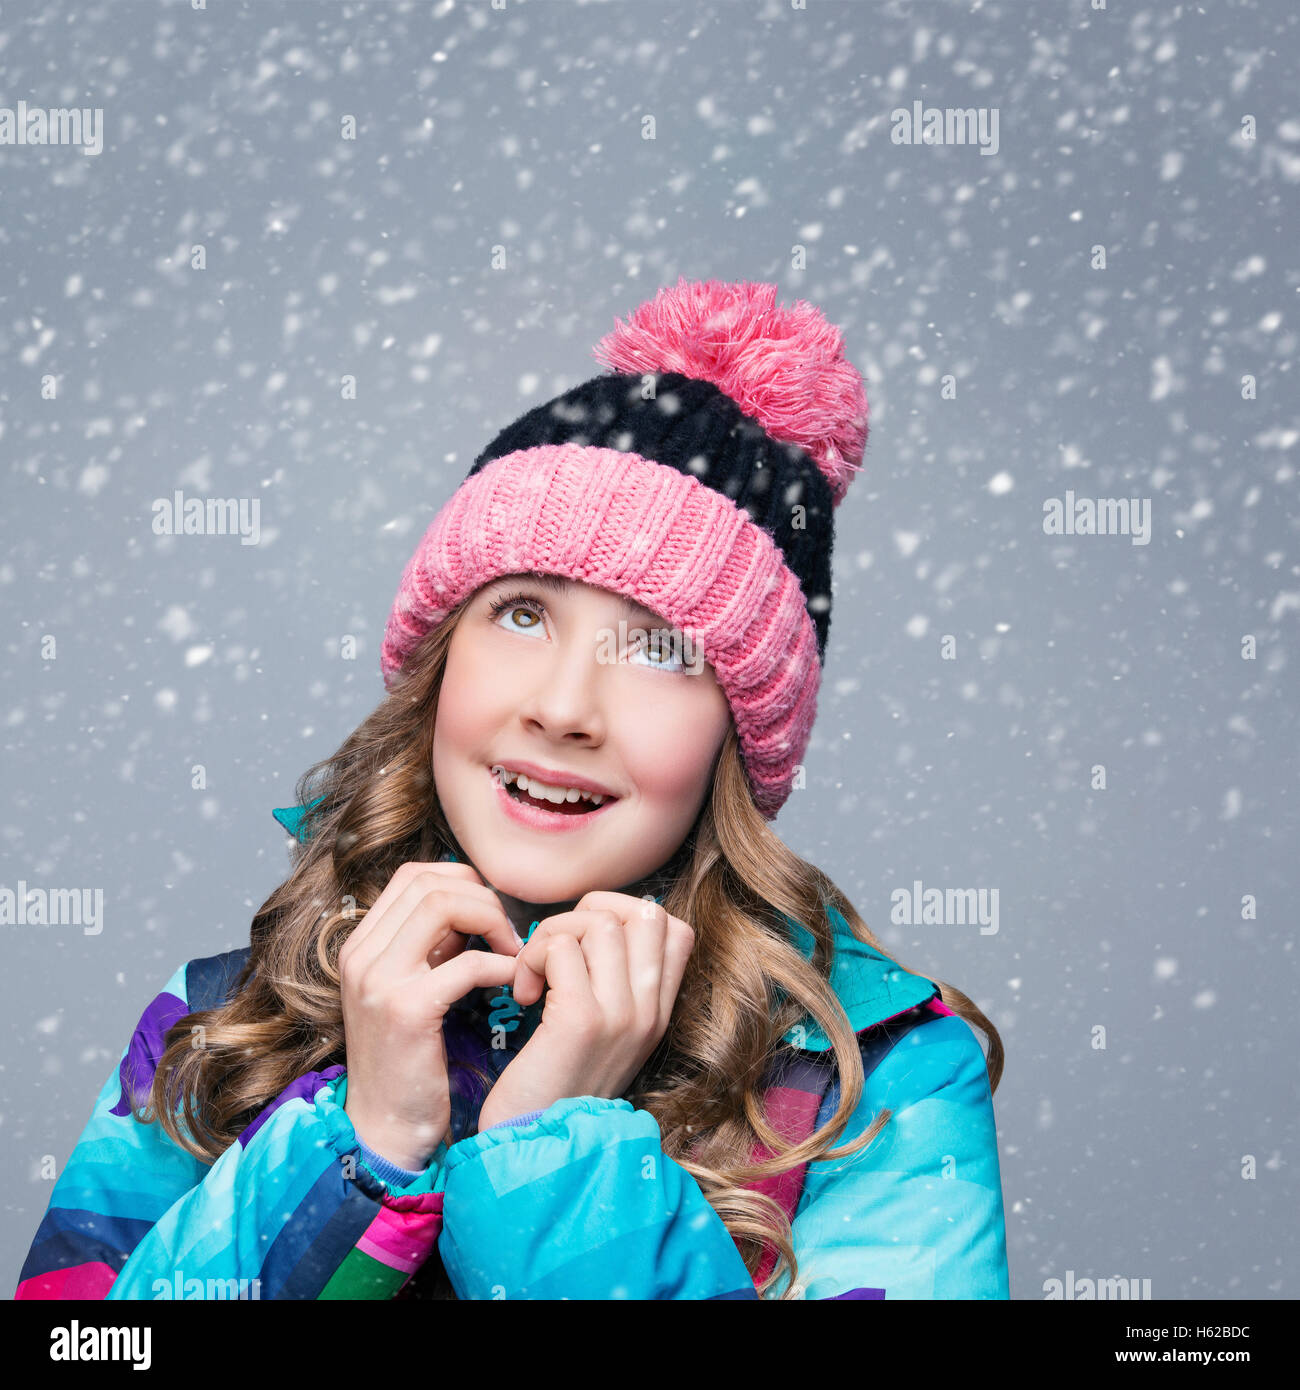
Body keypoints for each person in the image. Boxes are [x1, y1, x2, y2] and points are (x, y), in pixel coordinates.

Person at [16, 277, 1009, 1301]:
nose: (564, 707)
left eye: (661, 651)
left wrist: (553, 1151)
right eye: (524, 614)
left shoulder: (872, 1078)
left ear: (739, 729)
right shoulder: (218, 1022)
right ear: (442, 657)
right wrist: (362, 1152)